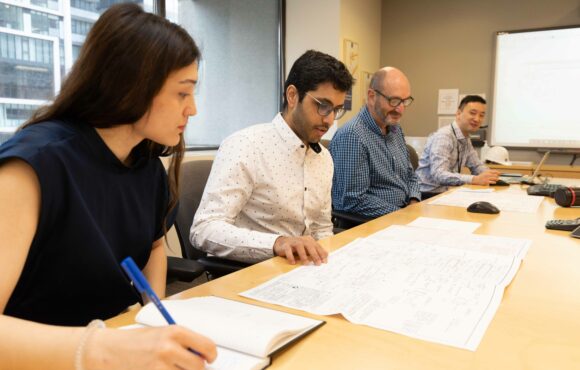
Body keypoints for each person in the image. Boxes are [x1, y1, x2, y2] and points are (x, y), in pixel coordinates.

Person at [0, 4, 217, 369]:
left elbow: (155, 247)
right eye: (183, 93)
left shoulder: (147, 166)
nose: (192, 109)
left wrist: (152, 319)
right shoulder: (33, 166)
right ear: (133, 85)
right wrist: (106, 350)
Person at [191, 50, 354, 265]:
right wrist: (277, 243)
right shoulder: (246, 146)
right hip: (252, 273)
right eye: (323, 106)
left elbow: (322, 228)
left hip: (306, 272)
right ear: (293, 96)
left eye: (336, 110)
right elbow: (204, 229)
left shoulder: (324, 159)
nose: (330, 120)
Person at [329, 67, 420, 220]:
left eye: (405, 101)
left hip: (403, 216)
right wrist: (401, 215)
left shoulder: (395, 130)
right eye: (394, 101)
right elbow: (352, 200)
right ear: (371, 96)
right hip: (370, 224)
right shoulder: (353, 135)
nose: (400, 109)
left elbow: (411, 176)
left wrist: (414, 201)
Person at [416, 95, 500, 197]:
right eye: (472, 113)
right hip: (427, 194)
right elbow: (439, 174)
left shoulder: (465, 139)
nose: (477, 119)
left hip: (447, 192)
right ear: (458, 113)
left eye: (481, 115)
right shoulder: (444, 137)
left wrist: (491, 176)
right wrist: (474, 179)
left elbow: (476, 166)